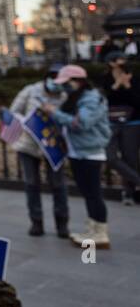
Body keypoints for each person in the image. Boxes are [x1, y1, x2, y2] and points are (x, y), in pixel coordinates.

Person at [41, 65, 113, 250]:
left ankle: (100, 233)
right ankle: (93, 230)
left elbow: (81, 124)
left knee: (93, 194)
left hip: (89, 153)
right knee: (89, 194)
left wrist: (54, 113)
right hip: (78, 152)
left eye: (66, 83)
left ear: (78, 82)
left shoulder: (91, 99)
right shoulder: (77, 97)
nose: (63, 87)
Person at [9, 69, 70, 237]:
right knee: (31, 184)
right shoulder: (30, 91)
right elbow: (14, 111)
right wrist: (29, 120)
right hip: (28, 144)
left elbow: (68, 118)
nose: (57, 86)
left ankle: (62, 223)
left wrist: (54, 114)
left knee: (58, 185)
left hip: (53, 145)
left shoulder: (64, 96)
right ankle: (36, 222)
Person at [101, 52, 140, 205]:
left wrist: (128, 85)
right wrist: (117, 84)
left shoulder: (134, 78)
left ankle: (129, 193)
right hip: (111, 122)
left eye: (124, 60)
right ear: (111, 63)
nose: (122, 62)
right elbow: (105, 99)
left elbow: (137, 101)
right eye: (119, 60)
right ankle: (137, 181)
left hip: (132, 122)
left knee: (130, 158)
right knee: (110, 156)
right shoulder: (105, 78)